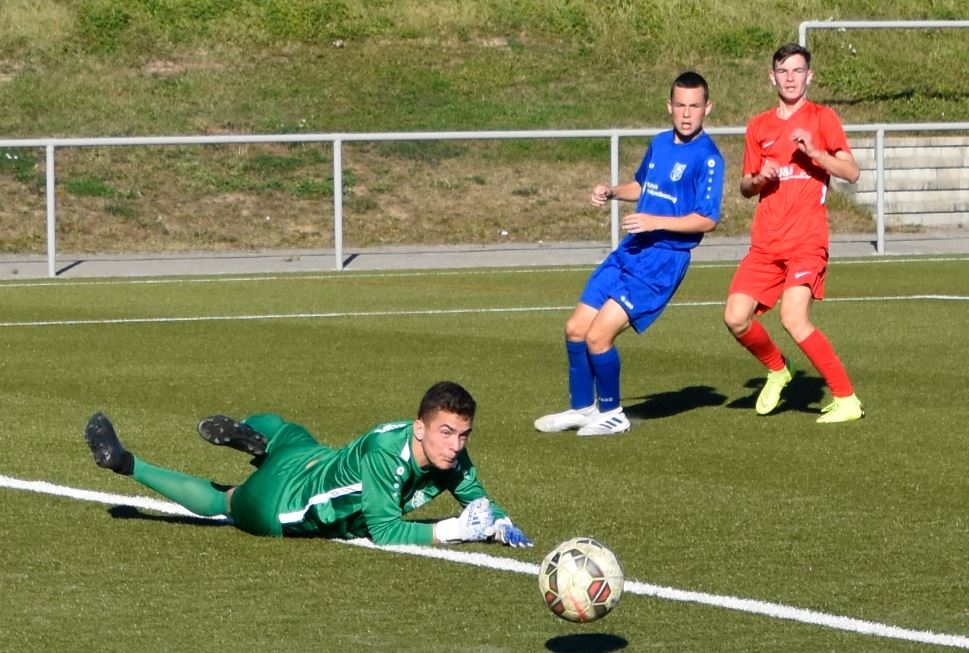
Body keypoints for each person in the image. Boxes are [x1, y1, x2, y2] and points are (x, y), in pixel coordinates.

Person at [83, 381, 533, 547]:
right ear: (420, 428)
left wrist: (499, 523)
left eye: (463, 435)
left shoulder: (448, 452)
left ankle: (254, 439)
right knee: (225, 500)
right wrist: (453, 530)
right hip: (283, 504)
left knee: (288, 430)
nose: (455, 446)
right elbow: (385, 532)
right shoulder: (386, 456)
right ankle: (125, 462)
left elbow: (477, 498)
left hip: (312, 458)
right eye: (446, 433)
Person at [534, 71, 725, 436]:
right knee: (575, 329)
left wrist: (655, 221)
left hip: (663, 260)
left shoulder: (709, 158)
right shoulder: (660, 143)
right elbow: (642, 185)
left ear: (708, 108)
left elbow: (707, 219)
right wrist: (612, 192)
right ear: (669, 106)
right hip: (632, 249)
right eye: (680, 105)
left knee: (598, 337)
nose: (686, 114)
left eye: (694, 106)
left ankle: (613, 413)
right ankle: (582, 408)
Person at [723, 43, 864, 424]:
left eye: (797, 71)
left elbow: (852, 172)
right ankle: (778, 369)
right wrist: (759, 179)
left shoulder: (822, 118)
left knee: (793, 318)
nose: (790, 78)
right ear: (772, 77)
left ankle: (847, 398)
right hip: (765, 244)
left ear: (809, 76)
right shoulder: (758, 126)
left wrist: (816, 154)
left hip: (806, 242)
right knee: (735, 318)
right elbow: (745, 186)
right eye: (783, 71)